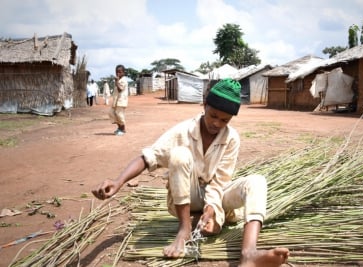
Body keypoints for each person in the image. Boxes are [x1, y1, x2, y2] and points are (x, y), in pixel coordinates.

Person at [92, 79, 290, 266]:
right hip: (188, 197)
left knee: (257, 181)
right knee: (178, 155)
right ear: (204, 105)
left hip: (216, 197)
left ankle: (249, 254)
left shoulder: (231, 138)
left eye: (225, 120)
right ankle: (185, 229)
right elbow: (148, 157)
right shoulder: (183, 131)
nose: (217, 124)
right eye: (213, 116)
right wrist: (118, 182)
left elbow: (220, 182)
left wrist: (212, 208)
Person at [109, 65, 128, 136]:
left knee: (119, 114)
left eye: (120, 72)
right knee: (111, 113)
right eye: (116, 72)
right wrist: (116, 81)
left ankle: (123, 129)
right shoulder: (119, 80)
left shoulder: (124, 80)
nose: (118, 74)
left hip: (121, 100)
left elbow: (120, 90)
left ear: (123, 72)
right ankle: (119, 127)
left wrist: (116, 82)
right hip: (116, 100)